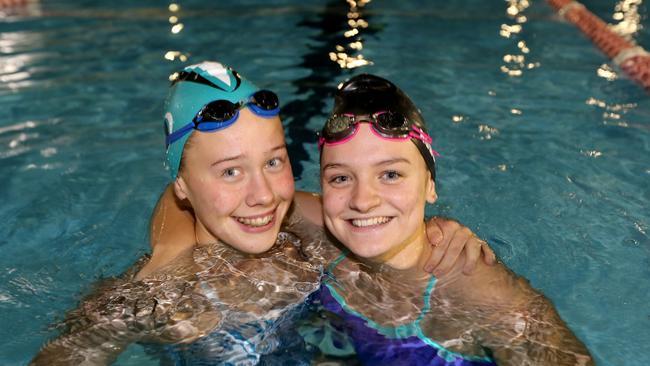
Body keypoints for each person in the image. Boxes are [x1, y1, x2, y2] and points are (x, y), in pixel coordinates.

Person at [32, 62, 493, 365]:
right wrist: (167, 259)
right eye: (230, 171)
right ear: (184, 185)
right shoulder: (150, 297)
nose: (263, 196)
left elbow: (372, 211)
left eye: (274, 162)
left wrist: (434, 228)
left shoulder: (303, 233)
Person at [311, 73, 594, 365]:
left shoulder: (483, 296)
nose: (362, 200)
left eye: (391, 174)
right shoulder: (319, 234)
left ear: (430, 186)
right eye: (341, 178)